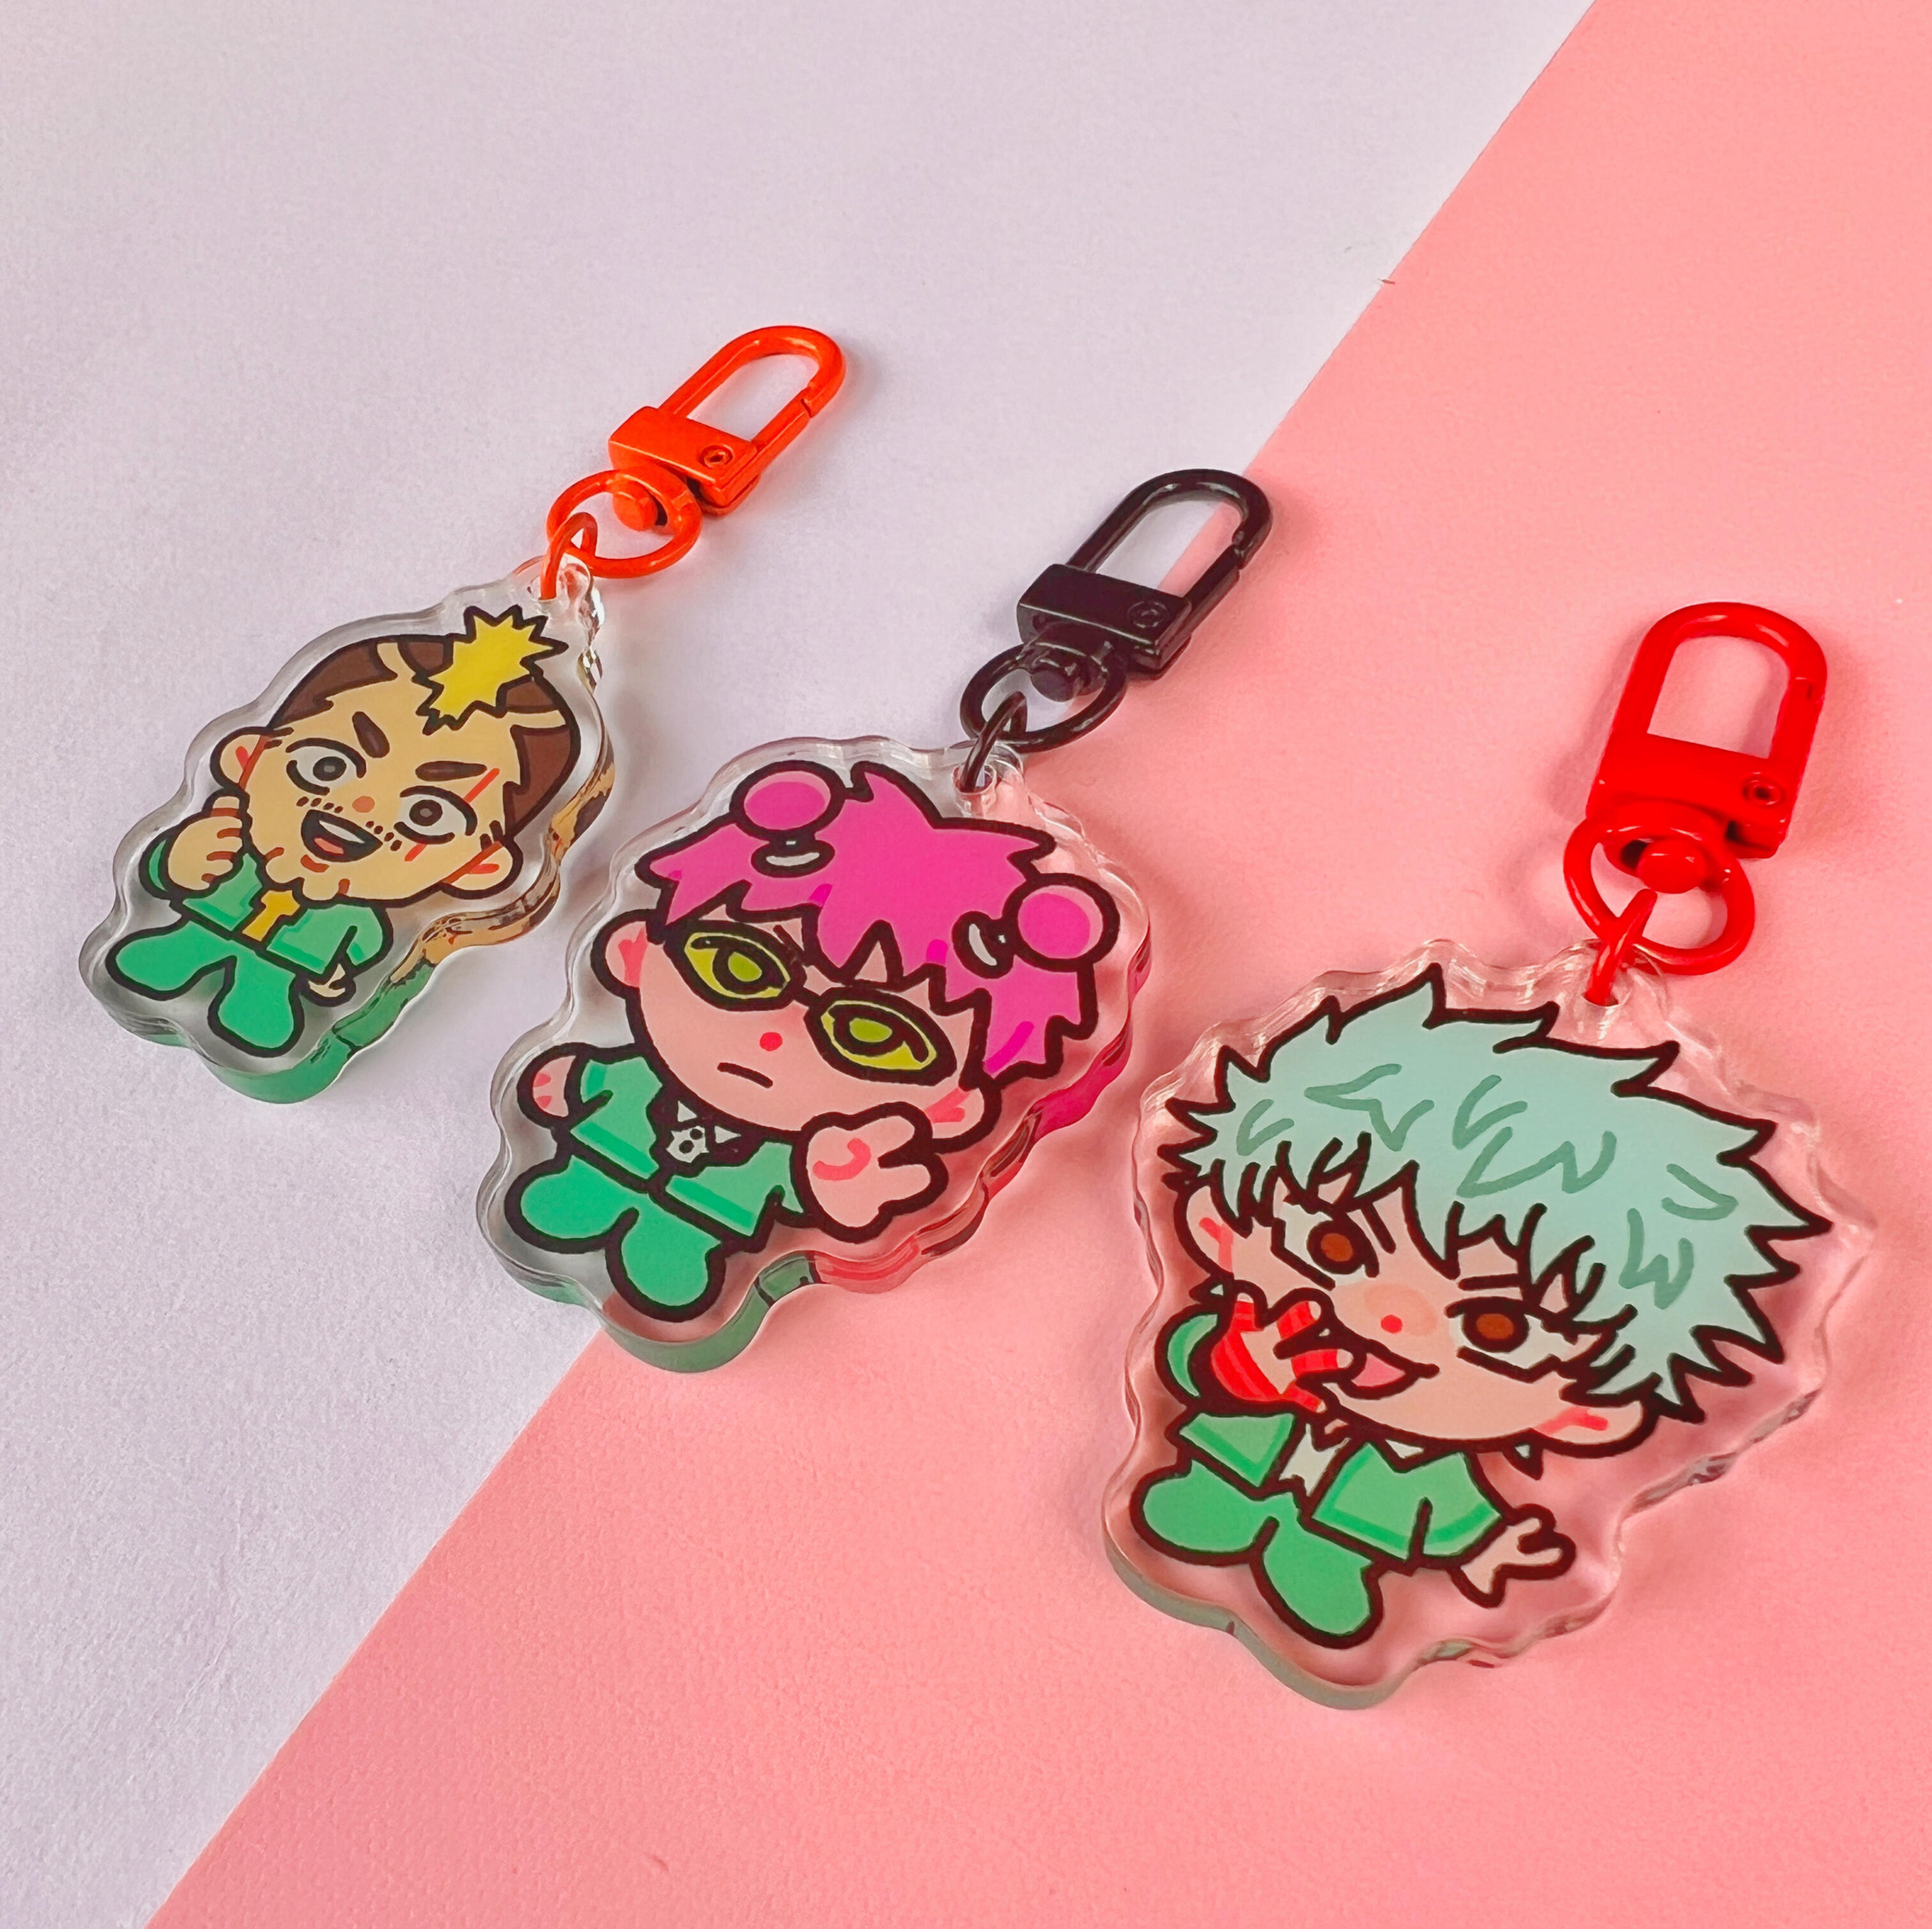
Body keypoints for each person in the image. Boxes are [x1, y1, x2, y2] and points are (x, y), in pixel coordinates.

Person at [1131, 967, 1823, 1647]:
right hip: (1219, 1472)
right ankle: (1209, 1511)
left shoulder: (1434, 1465)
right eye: (1337, 1245)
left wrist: (1489, 1551)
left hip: (1339, 1545)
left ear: (1586, 1414)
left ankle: (1318, 1571)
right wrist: (1244, 1363)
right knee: (1181, 1507)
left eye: (1495, 1326)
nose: (1393, 1315)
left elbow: (1453, 1516)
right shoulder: (1258, 1335)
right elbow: (1191, 1357)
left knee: (1328, 1586)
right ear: (1217, 1228)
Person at [507, 758, 1118, 1320]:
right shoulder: (637, 1076)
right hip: (594, 1159)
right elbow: (599, 1076)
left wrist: (842, 1187)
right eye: (738, 967)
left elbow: (811, 1197)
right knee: (553, 1204)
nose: (778, 1034)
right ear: (635, 949)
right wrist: (574, 1079)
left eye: (872, 1034)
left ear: (952, 1106)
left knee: (669, 1270)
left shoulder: (803, 1155)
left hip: (701, 1224)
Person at [107, 606, 579, 1059]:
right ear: (247, 757)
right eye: (328, 766)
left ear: (480, 867)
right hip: (197, 925)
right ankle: (169, 961)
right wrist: (181, 860)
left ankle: (256, 1008)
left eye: (427, 813)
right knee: (160, 959)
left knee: (262, 1010)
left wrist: (329, 981)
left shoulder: (367, 920)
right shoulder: (229, 840)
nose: (362, 806)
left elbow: (361, 955)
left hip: (283, 972)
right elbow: (163, 868)